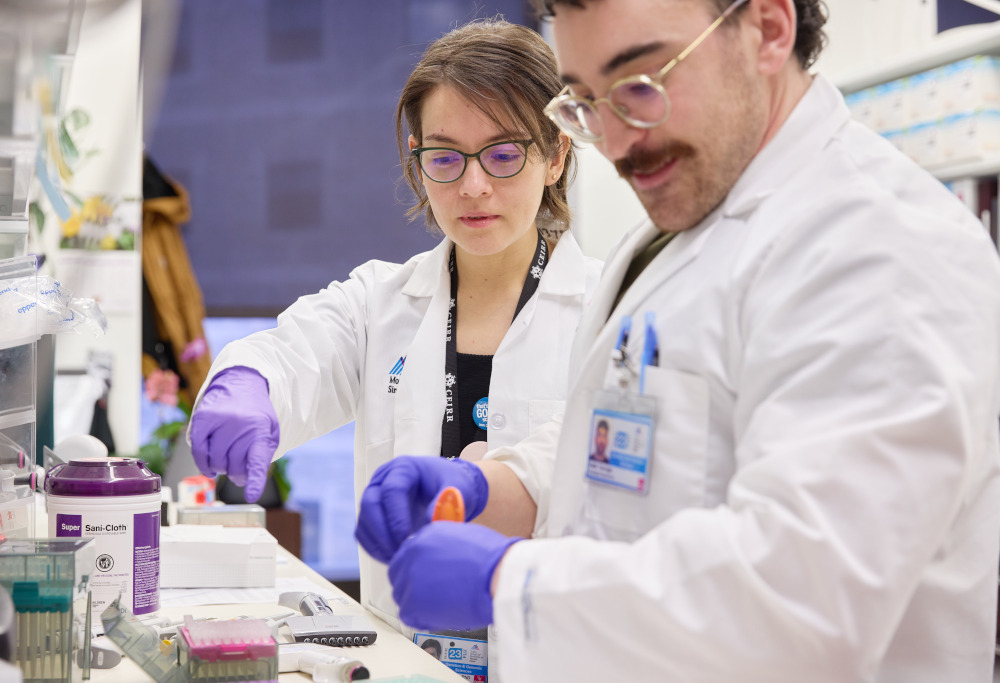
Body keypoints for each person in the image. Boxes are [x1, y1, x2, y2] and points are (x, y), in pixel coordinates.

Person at [356, 1, 1000, 681]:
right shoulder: (680, 225)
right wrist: (494, 488)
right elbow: (636, 441)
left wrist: (509, 582)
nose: (619, 142)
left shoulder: (881, 250)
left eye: (640, 83)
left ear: (769, 29)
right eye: (587, 101)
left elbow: (805, 597)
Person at [187, 18, 601, 631]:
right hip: (405, 655)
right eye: (445, 157)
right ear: (417, 158)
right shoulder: (380, 301)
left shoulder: (607, 312)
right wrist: (245, 382)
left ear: (556, 153)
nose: (473, 186)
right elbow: (295, 352)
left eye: (505, 154)